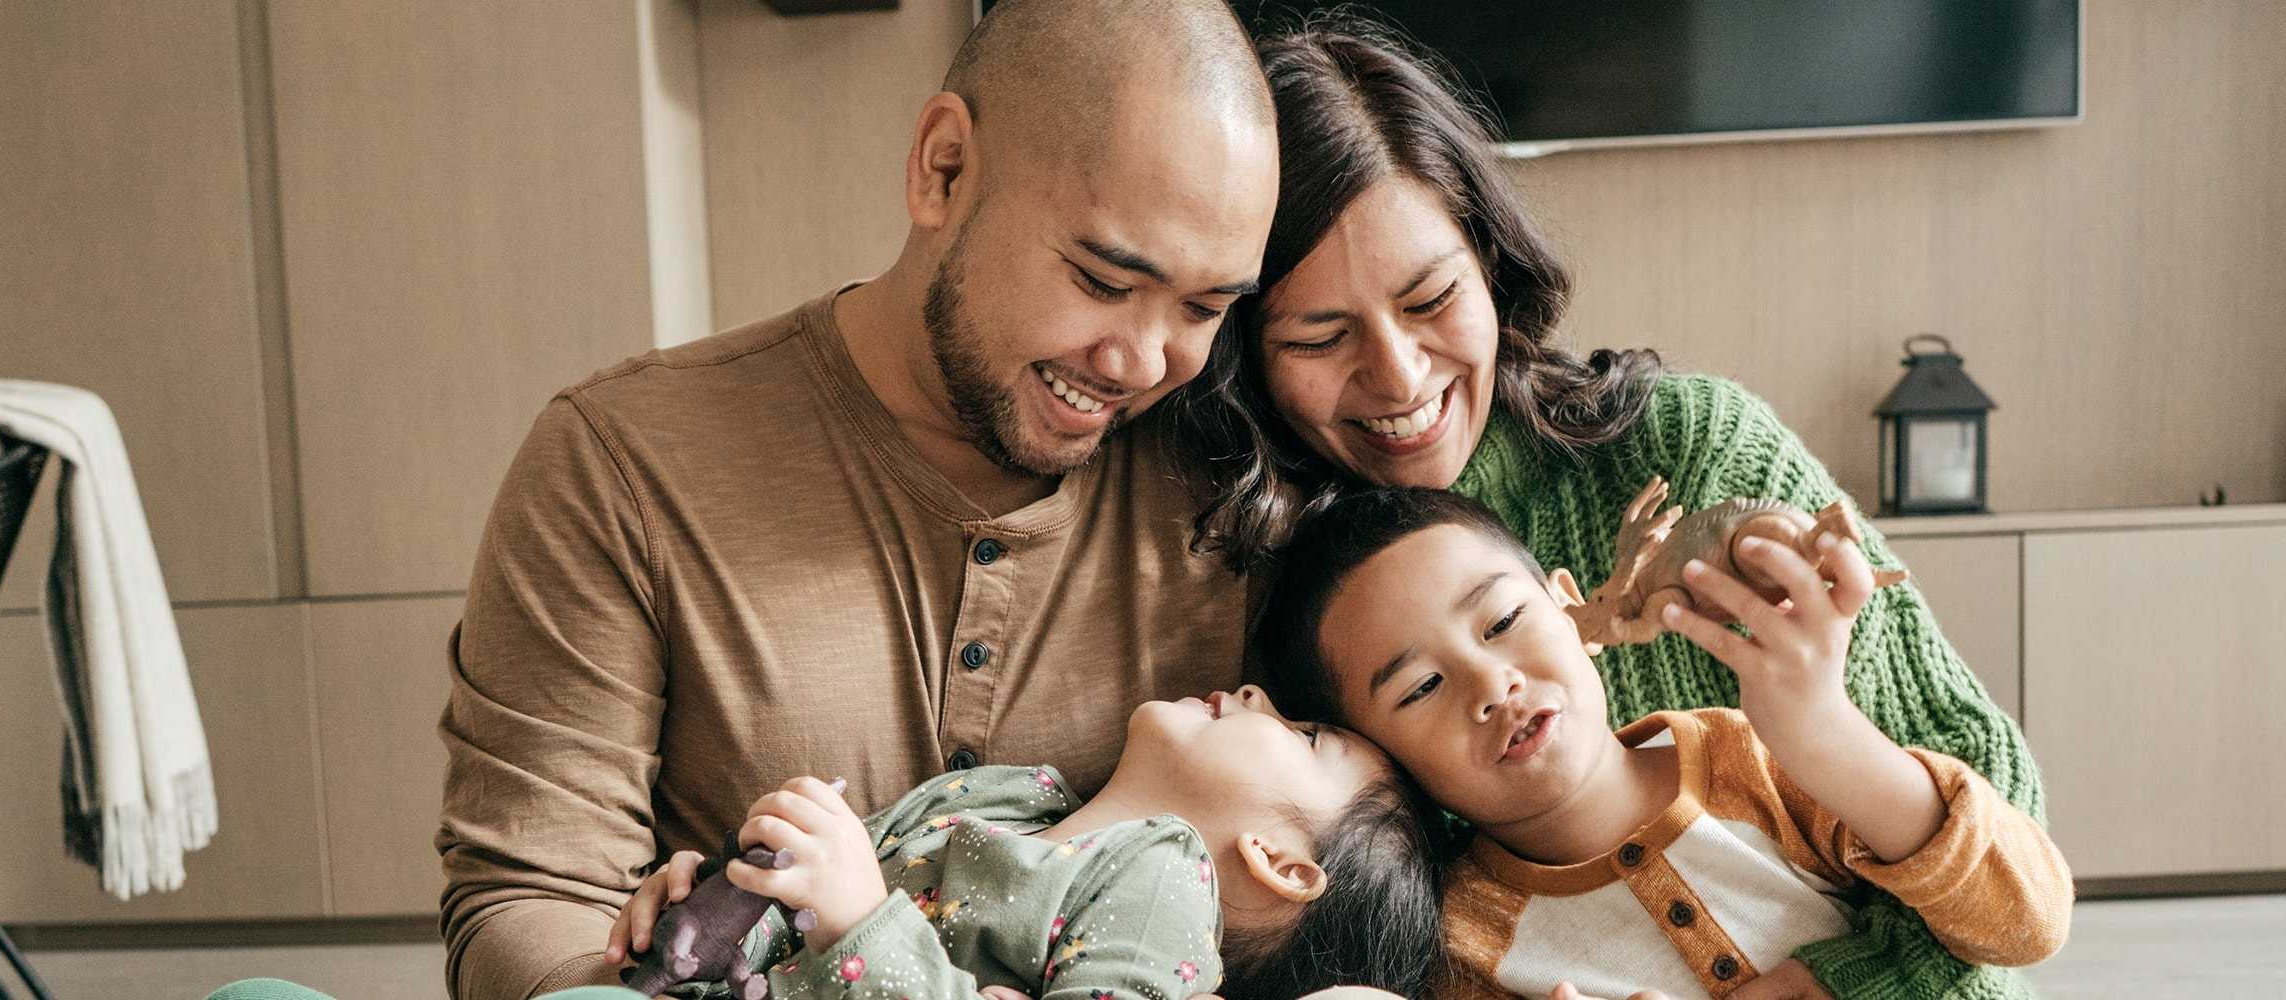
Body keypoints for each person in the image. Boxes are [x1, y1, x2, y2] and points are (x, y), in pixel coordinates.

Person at [1169, 14, 2050, 999]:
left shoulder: (1686, 448)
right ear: (1242, 350)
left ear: (1488, 262)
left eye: (1429, 300)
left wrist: (1830, 984)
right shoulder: (1249, 586)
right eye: (1320, 336)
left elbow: (1994, 832)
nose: (1400, 373)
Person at [434, 2, 1282, 997]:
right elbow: (527, 895)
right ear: (943, 168)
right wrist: (643, 961)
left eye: (1204, 309)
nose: (1142, 361)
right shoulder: (623, 462)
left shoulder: (1234, 504)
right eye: (1102, 279)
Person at [1256, 489, 2072, 1000]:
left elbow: (2025, 923)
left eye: (1503, 622)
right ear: (1380, 756)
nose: (1492, 684)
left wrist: (1826, 735)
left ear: (1576, 610)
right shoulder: (1461, 946)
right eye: (1420, 689)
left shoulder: (1760, 761)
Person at [603, 685, 1445, 1000]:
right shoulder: (1010, 797)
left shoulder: (1163, 886)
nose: (1259, 691)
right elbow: (795, 920)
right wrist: (716, 901)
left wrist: (862, 919)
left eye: (1299, 732)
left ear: (1279, 862)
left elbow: (848, 921)